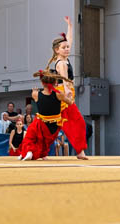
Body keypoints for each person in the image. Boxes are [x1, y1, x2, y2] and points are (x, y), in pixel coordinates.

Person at [46, 16, 89, 159]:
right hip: (63, 95)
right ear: (57, 50)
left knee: (57, 125)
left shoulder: (64, 58)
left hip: (63, 94)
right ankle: (80, 151)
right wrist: (68, 91)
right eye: (64, 48)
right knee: (78, 122)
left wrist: (70, 26)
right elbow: (64, 79)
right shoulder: (62, 63)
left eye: (67, 47)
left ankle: (40, 150)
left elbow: (69, 40)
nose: (67, 49)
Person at [19, 69, 83, 161]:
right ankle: (40, 154)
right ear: (55, 82)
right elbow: (70, 103)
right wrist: (70, 96)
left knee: (30, 136)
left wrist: (34, 91)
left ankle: (29, 152)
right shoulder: (59, 94)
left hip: (42, 123)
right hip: (54, 126)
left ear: (42, 82)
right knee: (45, 142)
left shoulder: (35, 94)